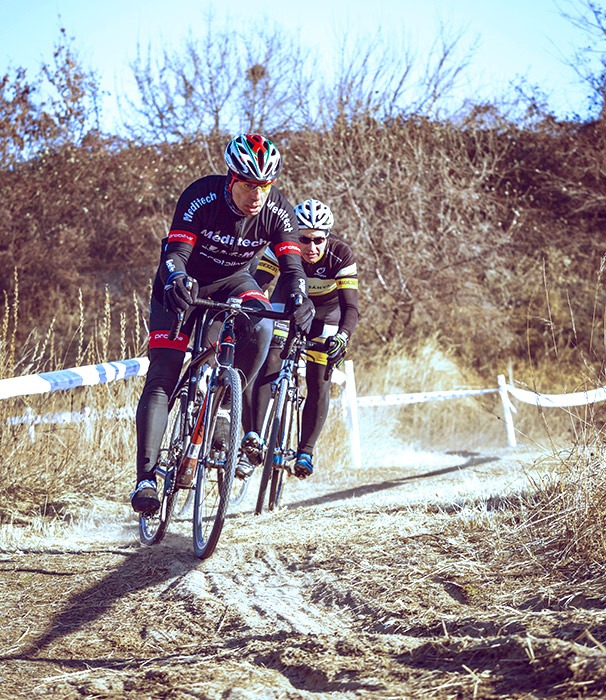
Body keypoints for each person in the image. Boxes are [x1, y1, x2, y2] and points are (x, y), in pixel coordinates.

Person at [131, 134, 315, 513]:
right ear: (232, 178)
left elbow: (292, 269)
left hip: (233, 281)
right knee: (163, 374)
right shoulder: (201, 196)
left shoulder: (278, 211)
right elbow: (175, 254)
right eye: (249, 185)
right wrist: (176, 281)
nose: (257, 195)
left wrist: (299, 297)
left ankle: (226, 404)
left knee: (262, 319)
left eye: (265, 185)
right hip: (184, 281)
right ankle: (146, 479)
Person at [238, 198, 359, 480]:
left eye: (318, 240)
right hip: (286, 307)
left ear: (327, 237)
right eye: (303, 239)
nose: (311, 247)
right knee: (271, 359)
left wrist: (342, 336)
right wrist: (249, 316)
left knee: (319, 378)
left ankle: (306, 450)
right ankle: (254, 438)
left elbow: (351, 307)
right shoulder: (281, 247)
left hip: (325, 316)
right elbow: (258, 285)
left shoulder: (341, 255)